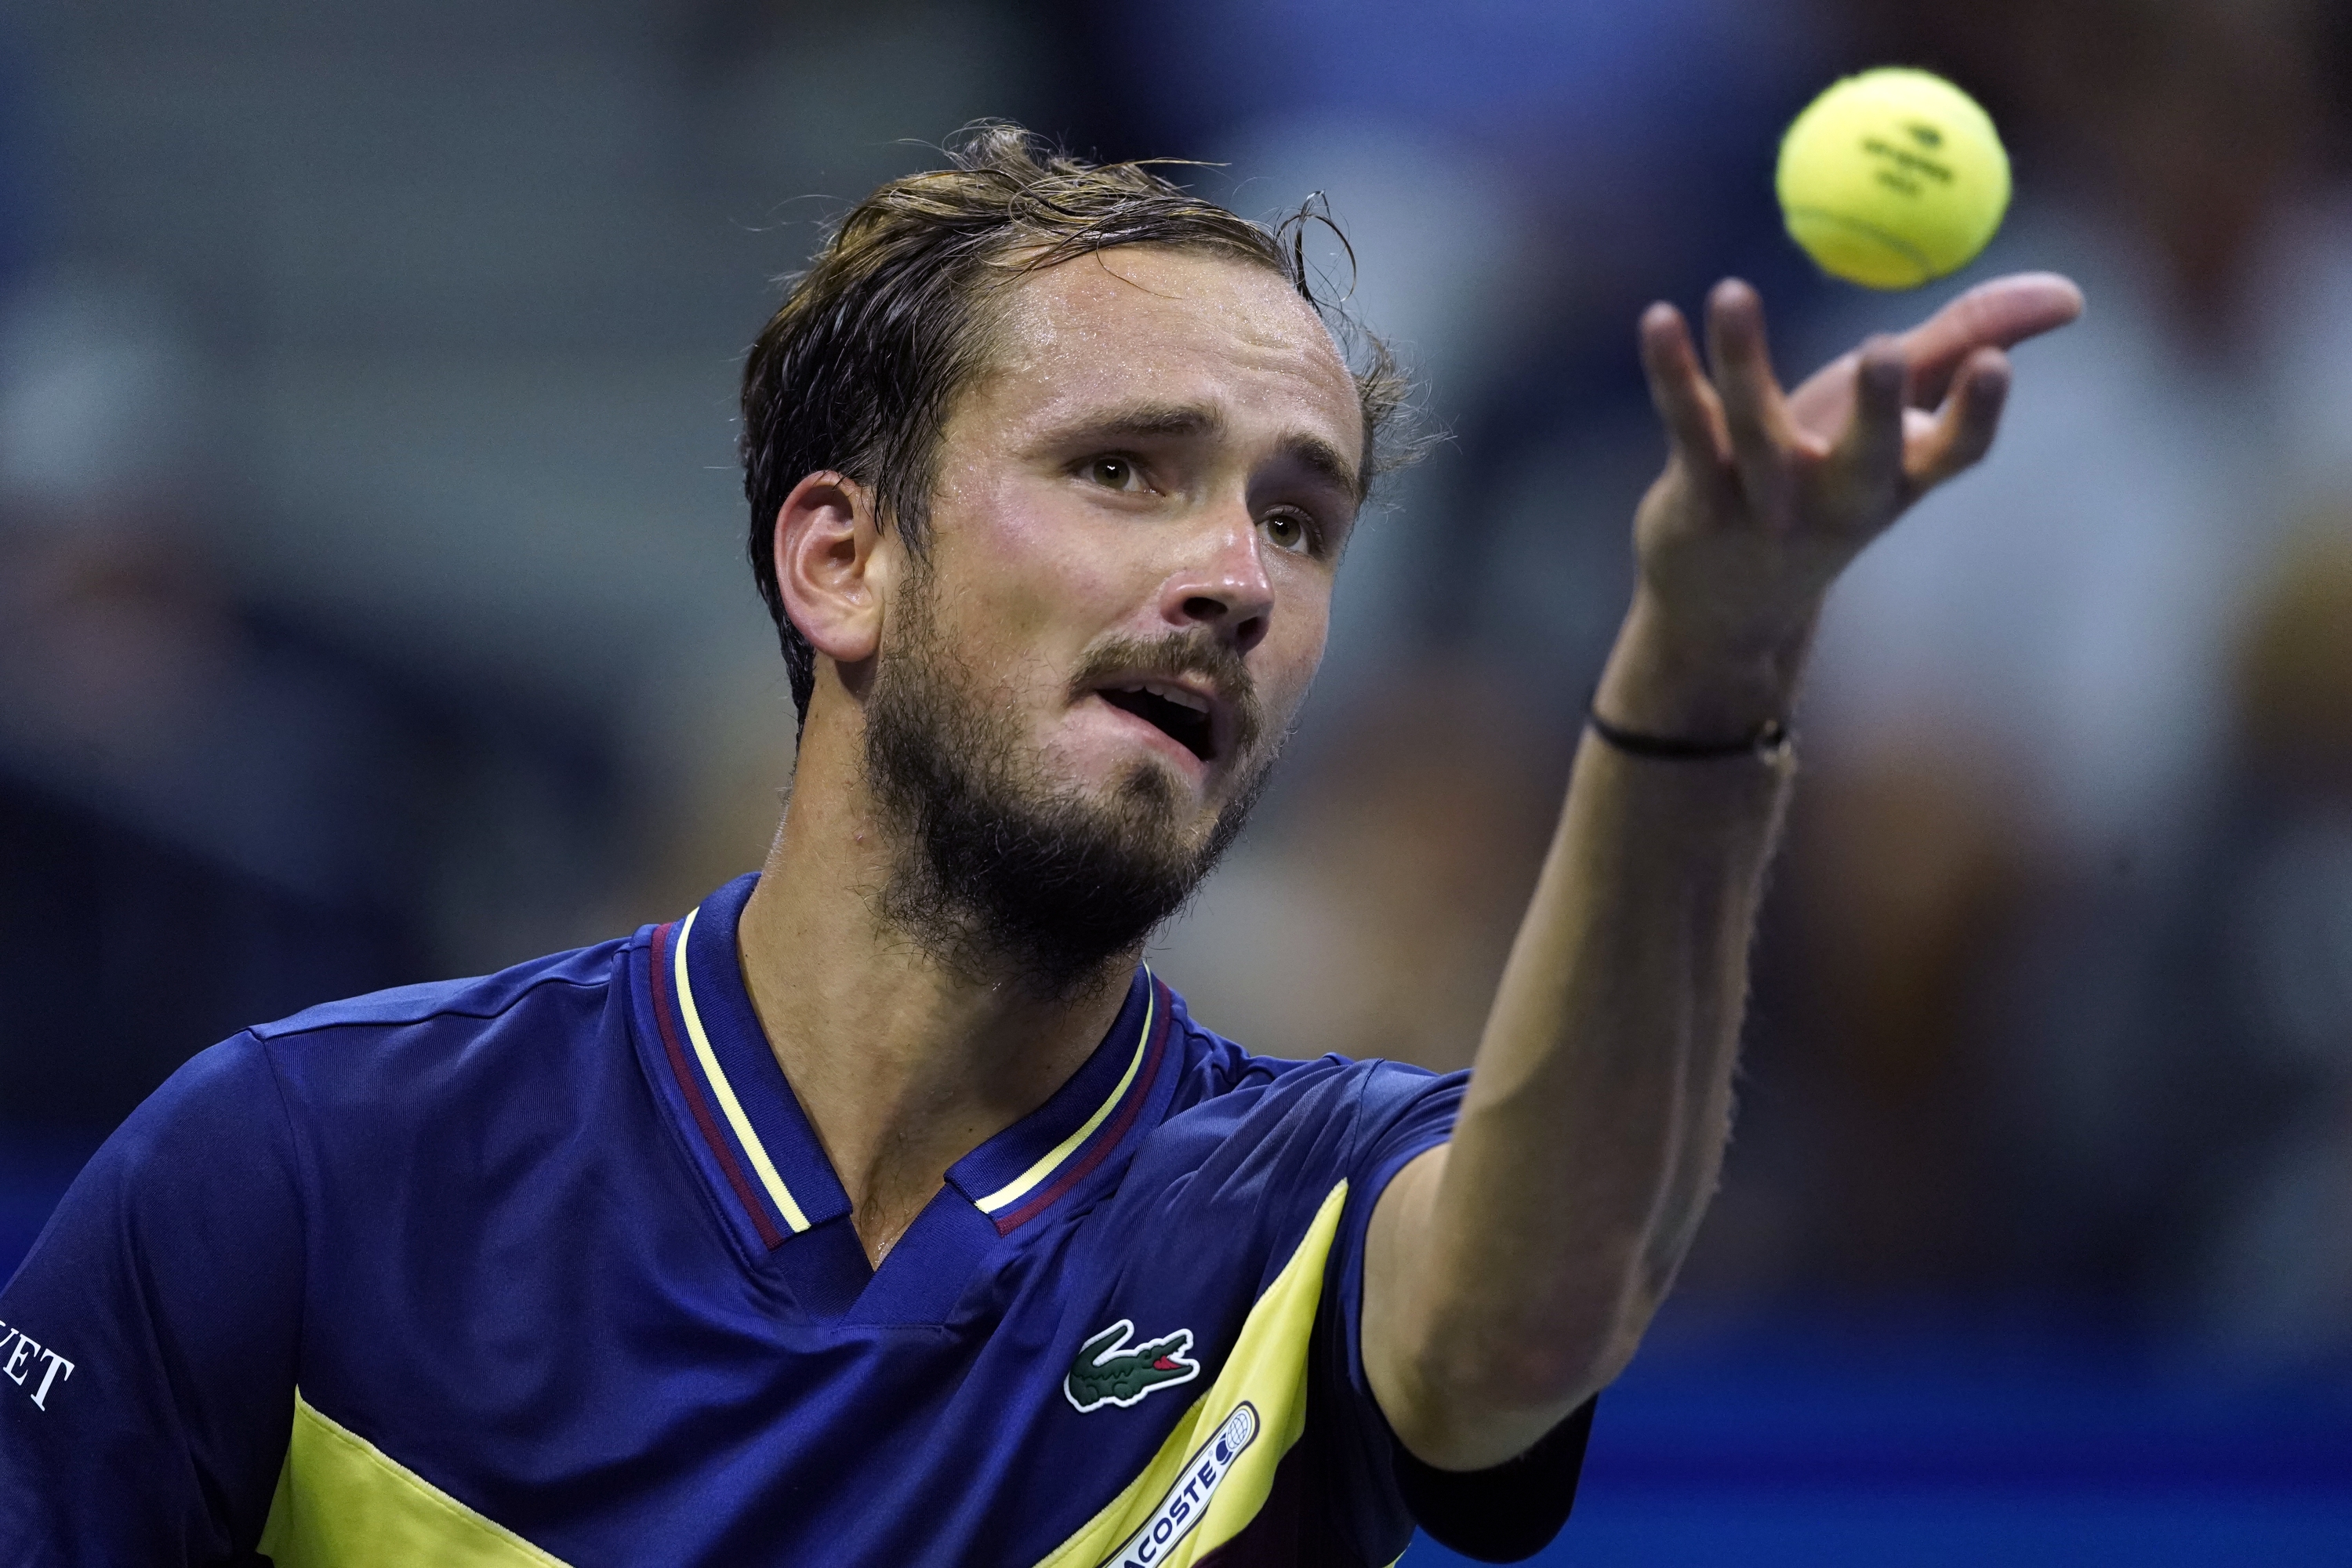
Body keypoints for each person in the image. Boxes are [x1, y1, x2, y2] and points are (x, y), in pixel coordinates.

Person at [0, 126, 2081, 1566]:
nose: (1237, 579)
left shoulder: (1302, 1218)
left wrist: (1705, 671)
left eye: (1299, 515)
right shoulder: (293, 1169)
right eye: (1125, 470)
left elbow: (1531, 1322)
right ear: (844, 559)